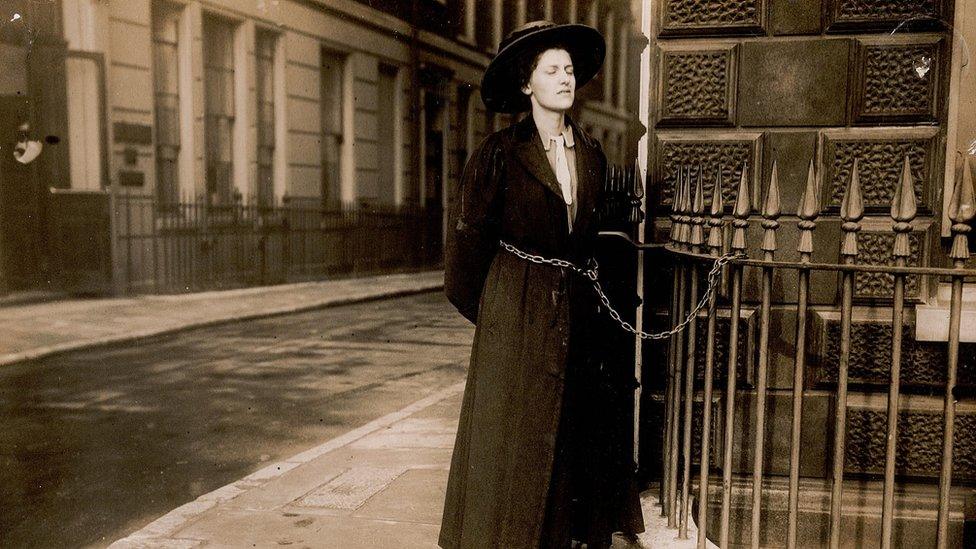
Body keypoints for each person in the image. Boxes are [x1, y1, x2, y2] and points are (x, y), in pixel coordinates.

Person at [439, 21, 645, 549]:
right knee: (514, 443)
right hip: (515, 317)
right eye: (550, 70)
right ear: (527, 84)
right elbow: (463, 264)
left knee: (568, 438)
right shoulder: (499, 155)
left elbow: (593, 244)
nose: (564, 79)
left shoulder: (592, 156)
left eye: (569, 70)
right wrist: (505, 311)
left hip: (575, 313)